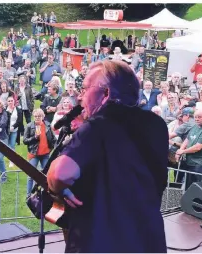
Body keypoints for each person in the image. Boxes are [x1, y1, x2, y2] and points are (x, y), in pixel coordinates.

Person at [46, 60, 168, 252]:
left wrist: (58, 188)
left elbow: (60, 174)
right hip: (147, 238)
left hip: (101, 241)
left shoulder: (96, 127)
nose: (80, 96)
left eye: (85, 89)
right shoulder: (157, 125)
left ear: (106, 93)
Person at [175, 109, 202, 189]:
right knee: (188, 187)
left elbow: (197, 147)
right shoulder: (195, 126)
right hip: (190, 162)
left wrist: (183, 151)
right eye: (195, 117)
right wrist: (179, 151)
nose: (197, 119)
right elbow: (187, 140)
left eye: (199, 117)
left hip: (200, 164)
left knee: (198, 189)